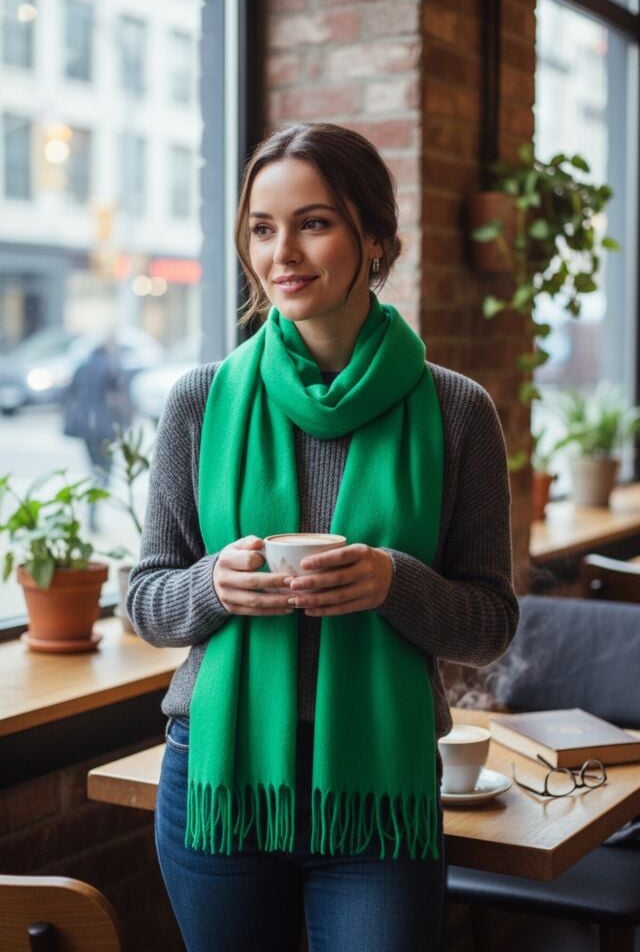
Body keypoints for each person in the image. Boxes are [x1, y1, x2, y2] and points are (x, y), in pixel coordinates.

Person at [127, 121, 519, 952]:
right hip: (219, 782)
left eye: (313, 223)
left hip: (378, 789)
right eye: (262, 229)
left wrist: (394, 583)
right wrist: (212, 586)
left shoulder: (456, 411)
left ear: (375, 237)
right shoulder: (201, 401)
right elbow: (146, 599)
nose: (283, 254)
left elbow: (491, 623)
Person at [63, 337, 132, 530]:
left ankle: (92, 513)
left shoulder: (82, 367)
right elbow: (120, 398)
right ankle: (93, 514)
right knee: (104, 472)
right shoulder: (111, 367)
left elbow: (69, 395)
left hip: (86, 427)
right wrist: (124, 423)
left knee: (94, 470)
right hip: (106, 427)